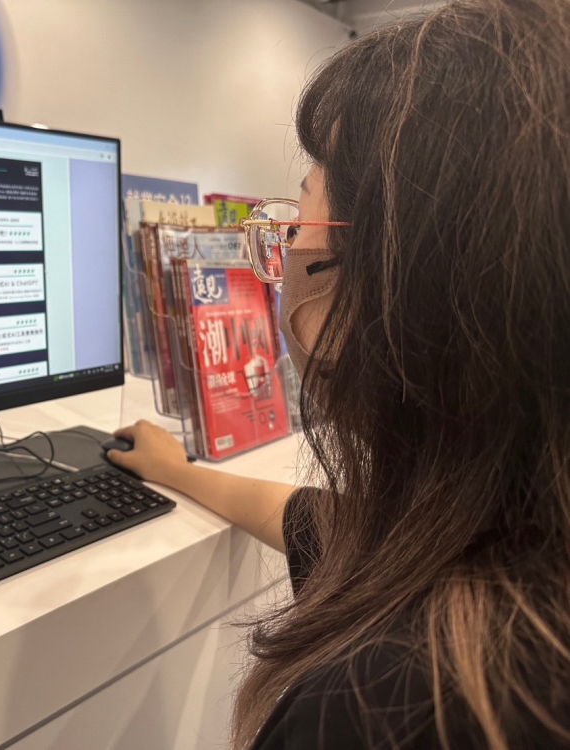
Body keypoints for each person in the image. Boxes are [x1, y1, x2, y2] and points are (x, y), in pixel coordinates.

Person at [109, 1, 570, 747]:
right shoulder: (506, 539)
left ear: (395, 283)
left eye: (298, 223)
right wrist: (181, 472)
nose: (285, 250)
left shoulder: (380, 705)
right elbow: (328, 521)